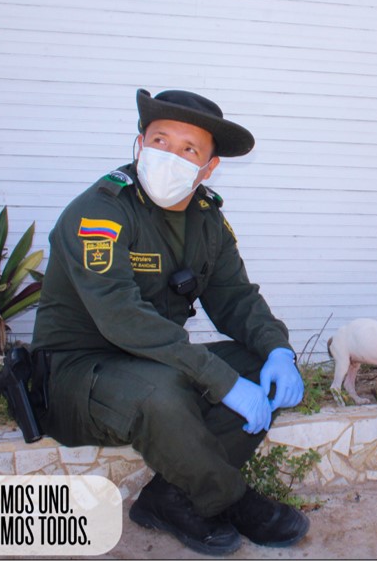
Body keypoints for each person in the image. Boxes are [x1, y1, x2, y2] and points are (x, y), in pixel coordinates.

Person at [30, 88, 309, 555]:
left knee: (261, 370)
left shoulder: (206, 220)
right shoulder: (101, 212)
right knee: (164, 394)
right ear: (139, 144)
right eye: (160, 141)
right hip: (80, 371)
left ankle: (170, 498)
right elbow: (121, 317)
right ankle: (231, 500)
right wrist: (220, 381)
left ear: (208, 167)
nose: (170, 156)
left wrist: (278, 349)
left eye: (188, 150)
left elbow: (236, 298)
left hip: (153, 359)